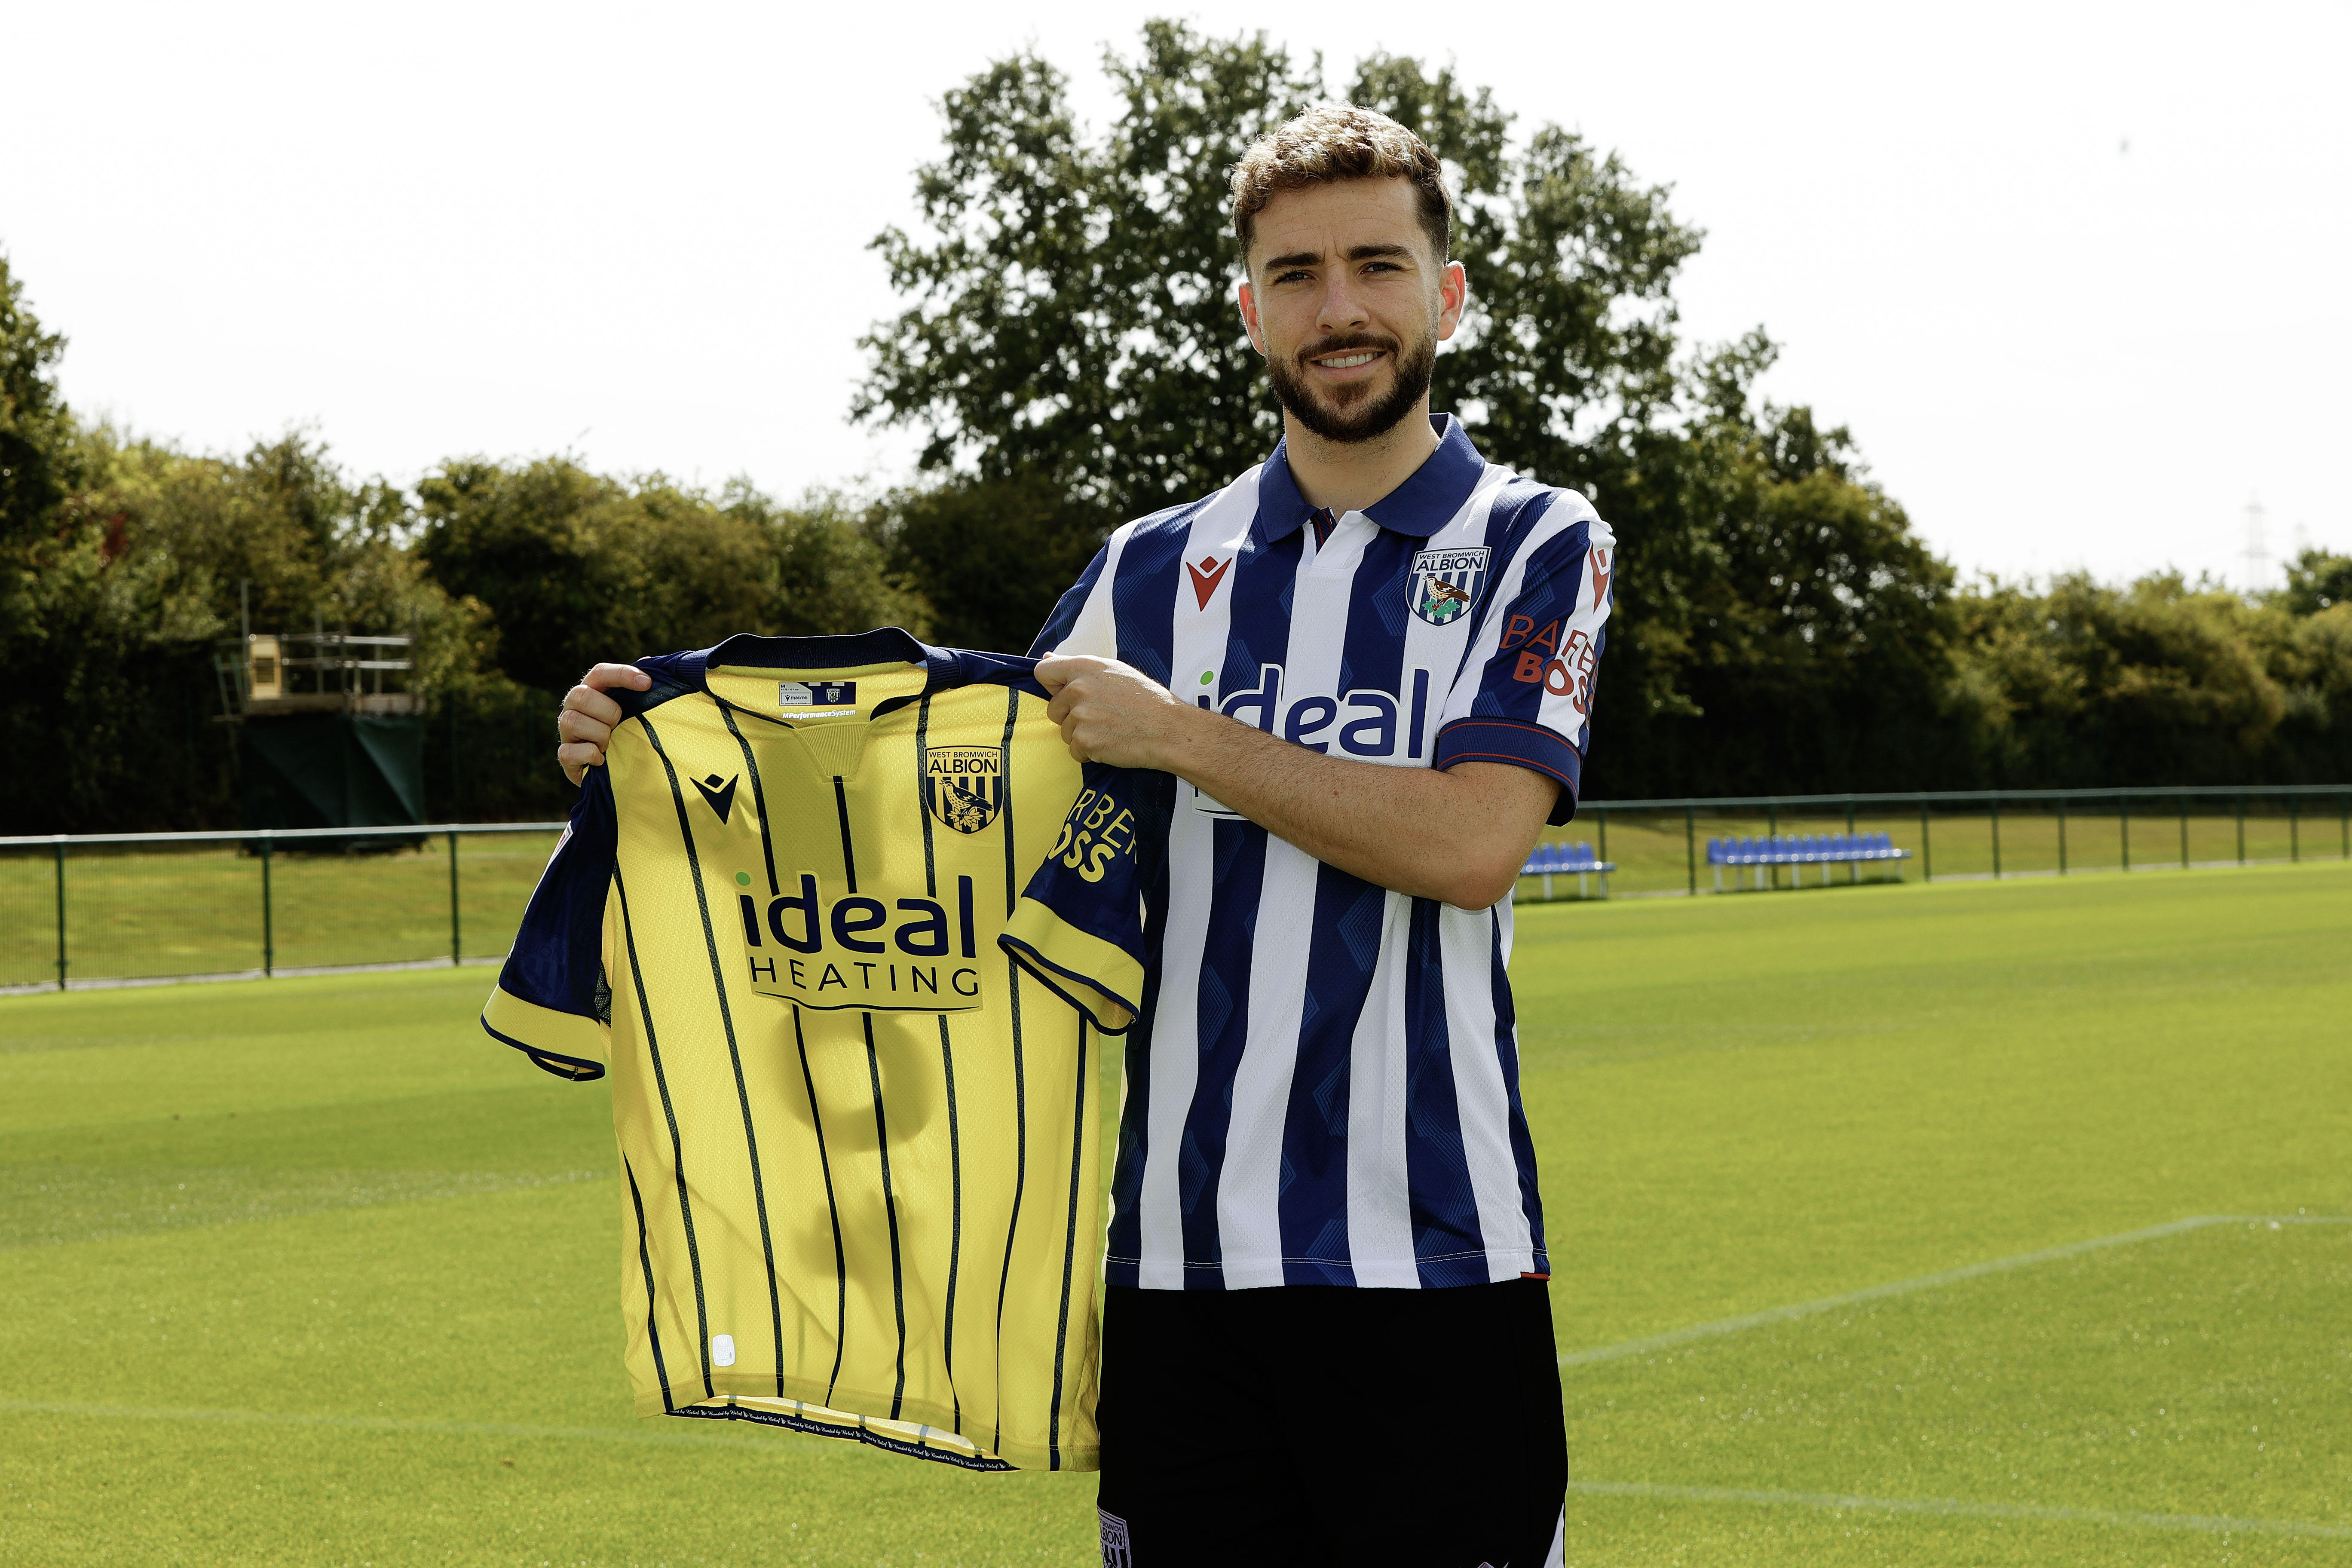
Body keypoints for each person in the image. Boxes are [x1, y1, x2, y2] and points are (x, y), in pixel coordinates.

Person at [559, 104, 1611, 1568]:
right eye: (1296, 275)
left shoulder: (1535, 539)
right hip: (1174, 1279)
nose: (1342, 309)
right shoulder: (1148, 569)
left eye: (1378, 264)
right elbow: (932, 811)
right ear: (1250, 310)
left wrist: (1182, 735)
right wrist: (670, 757)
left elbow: (1473, 843)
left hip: (1435, 1261)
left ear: (1448, 290)